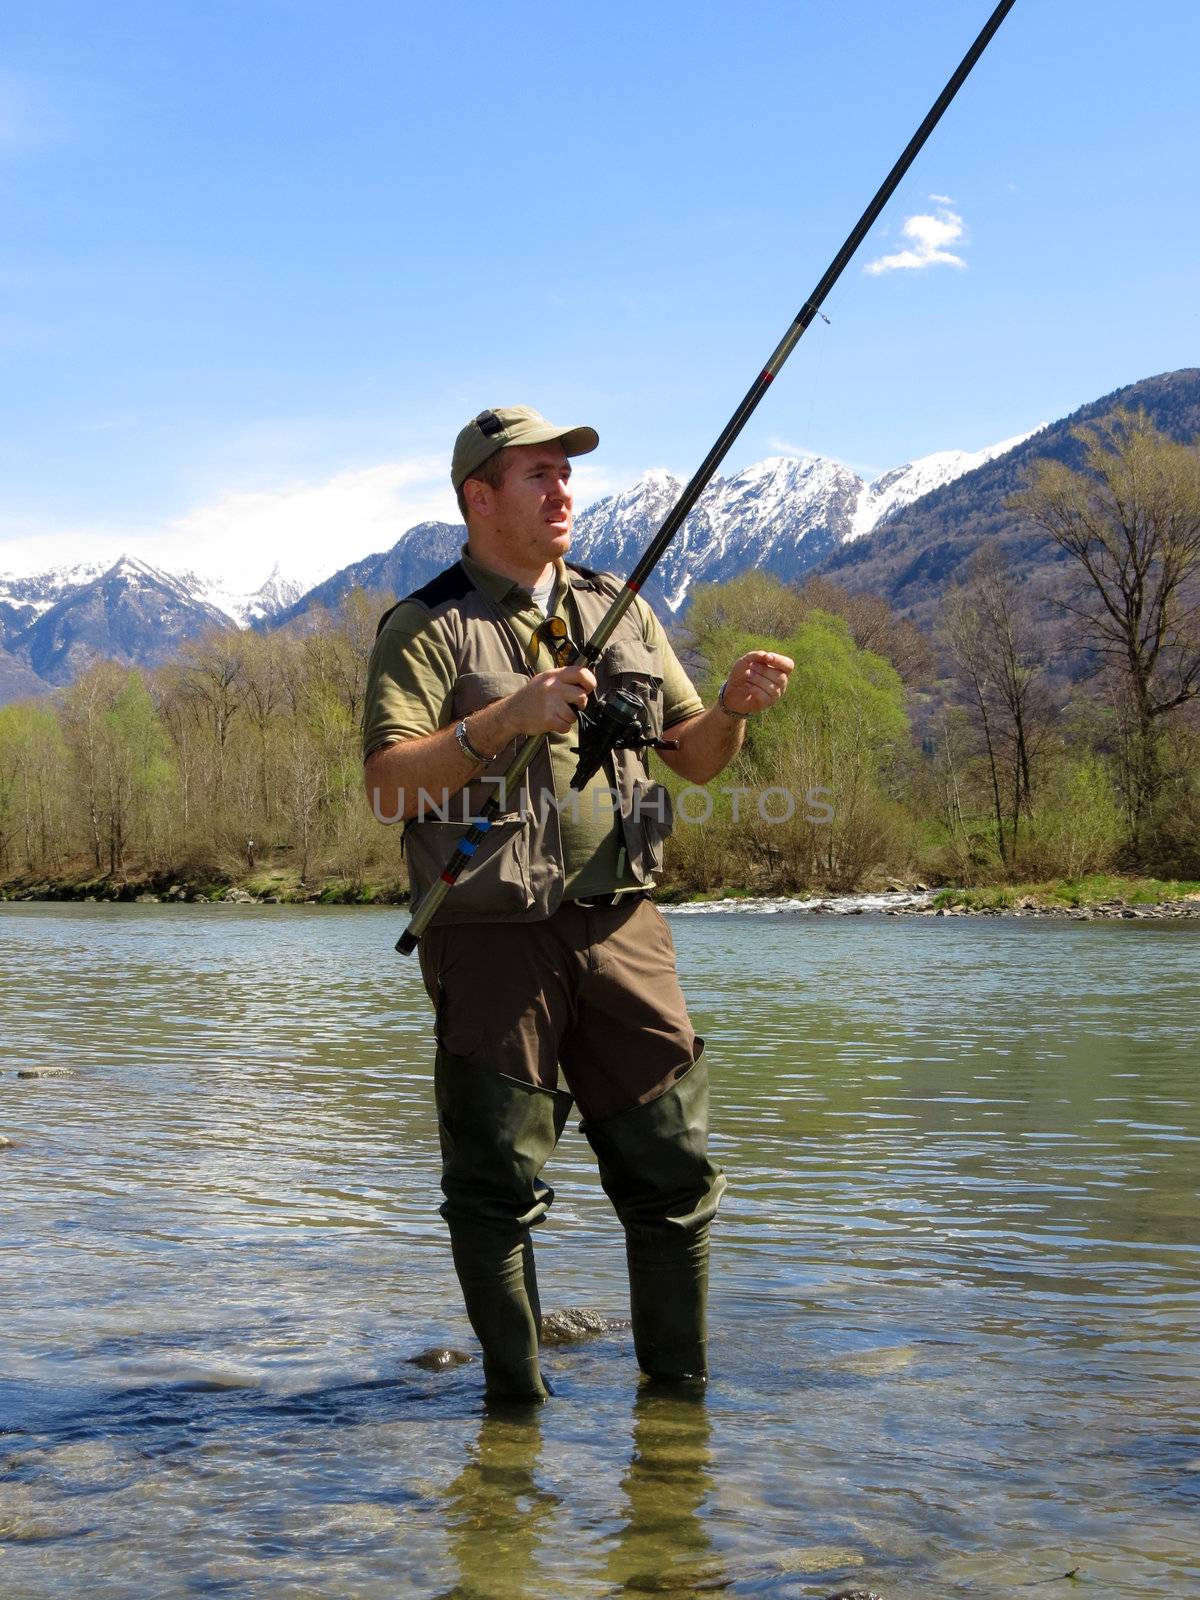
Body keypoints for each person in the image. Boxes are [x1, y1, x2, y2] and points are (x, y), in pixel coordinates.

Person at [362, 405, 792, 1401]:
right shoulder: (425, 627)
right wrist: (508, 714)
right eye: (538, 476)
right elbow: (390, 785)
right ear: (479, 496)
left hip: (626, 927)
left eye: (567, 474)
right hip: (490, 943)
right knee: (496, 1188)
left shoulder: (625, 606)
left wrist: (729, 709)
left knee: (675, 1170)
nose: (563, 492)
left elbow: (693, 759)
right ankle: (513, 1414)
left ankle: (677, 1407)